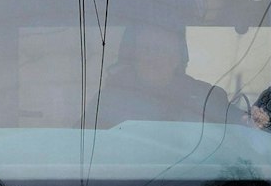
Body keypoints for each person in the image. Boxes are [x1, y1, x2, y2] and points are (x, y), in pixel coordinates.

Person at [95, 22, 231, 127]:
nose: (154, 58)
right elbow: (82, 144)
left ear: (178, 57)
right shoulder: (106, 102)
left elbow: (245, 128)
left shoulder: (209, 99)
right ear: (133, 57)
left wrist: (252, 118)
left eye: (162, 50)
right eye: (147, 49)